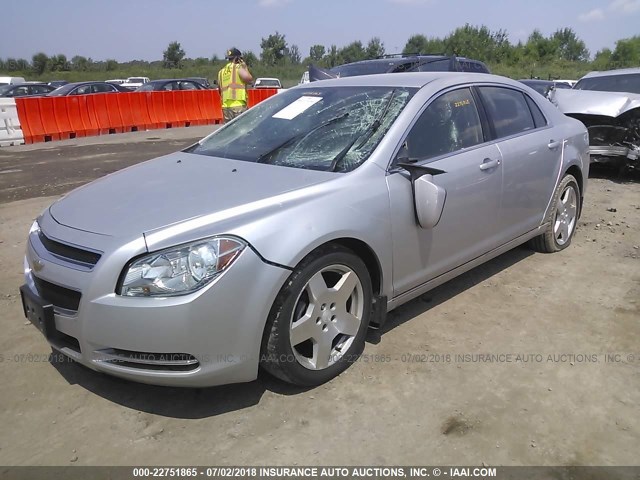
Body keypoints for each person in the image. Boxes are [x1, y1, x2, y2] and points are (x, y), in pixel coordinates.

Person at [217, 48, 253, 122]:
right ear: (237, 59)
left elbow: (220, 90)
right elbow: (249, 79)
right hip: (238, 106)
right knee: (242, 130)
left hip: (226, 107)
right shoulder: (237, 68)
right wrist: (245, 67)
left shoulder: (221, 72)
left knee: (230, 132)